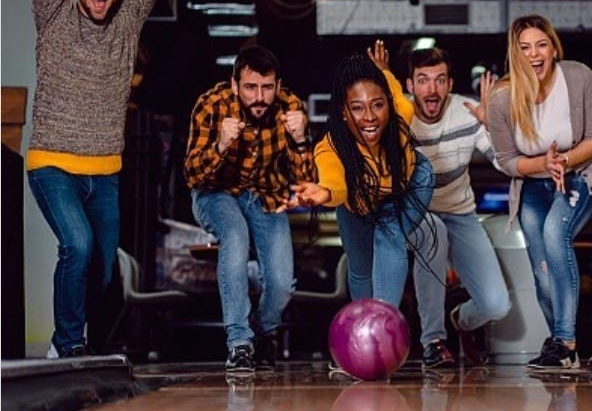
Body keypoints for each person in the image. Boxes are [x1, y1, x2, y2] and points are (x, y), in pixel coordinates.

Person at [27, 0, 166, 358]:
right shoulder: (54, 14)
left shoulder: (127, 24)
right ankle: (71, 344)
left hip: (106, 171)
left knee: (103, 270)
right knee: (78, 245)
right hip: (52, 163)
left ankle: (61, 342)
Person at [368, 41, 511, 367]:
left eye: (439, 79)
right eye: (422, 80)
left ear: (449, 84)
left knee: (496, 305)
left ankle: (461, 320)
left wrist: (493, 125)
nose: (431, 89)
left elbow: (505, 164)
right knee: (434, 232)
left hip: (460, 213)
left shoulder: (468, 111)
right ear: (409, 86)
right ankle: (433, 340)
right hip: (416, 212)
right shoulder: (398, 114)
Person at [486, 14, 592, 369]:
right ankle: (560, 341)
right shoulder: (501, 98)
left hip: (581, 176)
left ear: (554, 48)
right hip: (534, 185)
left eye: (541, 45)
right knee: (541, 272)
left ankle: (566, 342)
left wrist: (564, 162)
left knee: (557, 235)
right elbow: (507, 160)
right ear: (515, 55)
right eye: (524, 48)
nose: (534, 54)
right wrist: (543, 164)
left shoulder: (579, 77)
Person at [184, 45, 315, 373]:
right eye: (251, 88)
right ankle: (240, 344)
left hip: (266, 196)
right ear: (234, 85)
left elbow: (307, 183)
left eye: (267, 88)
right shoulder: (210, 105)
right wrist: (221, 145)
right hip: (216, 194)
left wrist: (300, 142)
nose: (260, 97)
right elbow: (192, 175)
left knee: (283, 281)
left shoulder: (291, 108)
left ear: (278, 85)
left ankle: (263, 332)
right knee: (235, 236)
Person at [278, 52, 435, 310]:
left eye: (377, 105)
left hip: (397, 195)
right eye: (358, 108)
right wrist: (325, 192)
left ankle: (383, 320)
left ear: (388, 104)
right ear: (343, 111)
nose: (370, 117)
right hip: (356, 206)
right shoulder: (331, 146)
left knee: (390, 234)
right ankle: (364, 322)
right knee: (361, 270)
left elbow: (393, 89)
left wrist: (384, 70)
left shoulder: (401, 114)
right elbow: (334, 181)